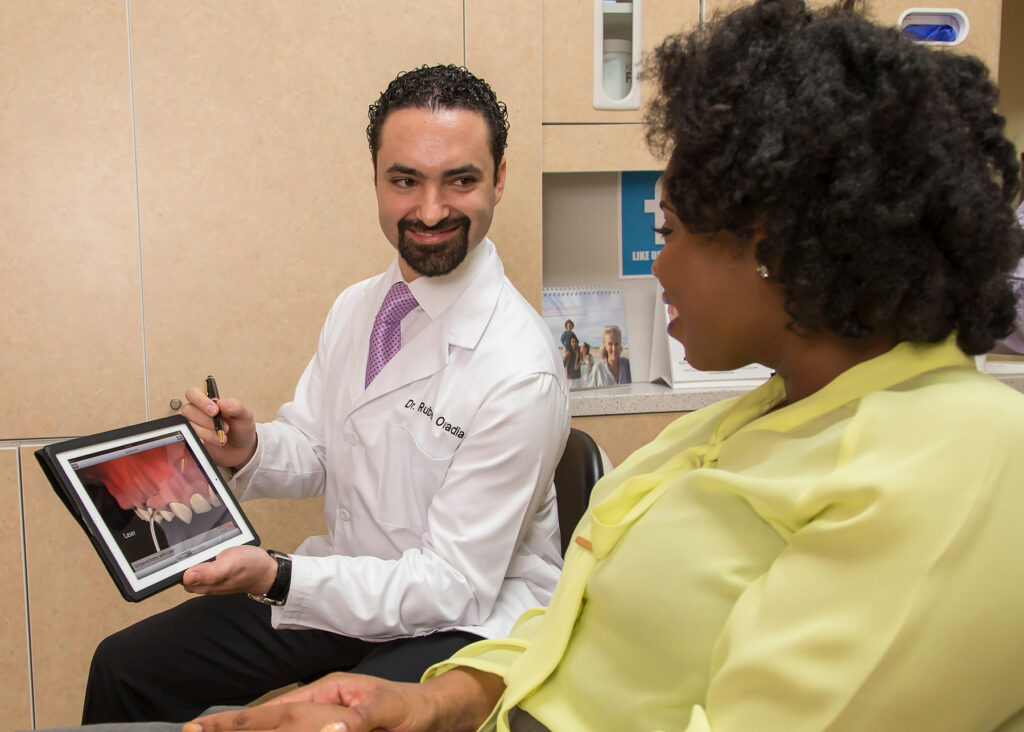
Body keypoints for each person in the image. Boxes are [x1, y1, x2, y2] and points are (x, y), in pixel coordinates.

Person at [179, 1, 1024, 730]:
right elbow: (575, 640)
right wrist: (439, 705)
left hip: (429, 610)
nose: (656, 269)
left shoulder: (960, 465)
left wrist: (298, 583)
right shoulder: (753, 419)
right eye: (404, 180)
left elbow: (467, 596)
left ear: (779, 245)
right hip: (436, 649)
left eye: (670, 233)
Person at [79, 64, 569, 724]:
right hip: (355, 583)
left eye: (460, 180)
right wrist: (250, 450)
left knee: (337, 719)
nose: (429, 210)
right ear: (375, 179)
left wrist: (278, 576)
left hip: (462, 617)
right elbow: (315, 445)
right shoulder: (360, 308)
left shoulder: (520, 368)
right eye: (405, 180)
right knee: (127, 667)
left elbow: (452, 585)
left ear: (500, 179)